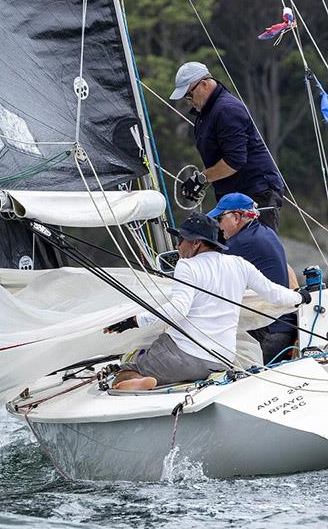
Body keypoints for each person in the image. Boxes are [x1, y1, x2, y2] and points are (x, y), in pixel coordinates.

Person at [103, 212, 308, 391]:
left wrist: (132, 321)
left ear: (196, 243)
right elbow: (274, 293)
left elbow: (178, 309)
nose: (177, 245)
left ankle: (139, 380)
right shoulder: (239, 264)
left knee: (125, 369)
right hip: (222, 360)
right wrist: (301, 297)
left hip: (182, 357)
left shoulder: (187, 266)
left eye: (181, 239)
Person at [170, 62, 285, 231]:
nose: (189, 102)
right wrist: (201, 183)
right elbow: (217, 157)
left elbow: (234, 161)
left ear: (204, 84)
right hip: (235, 196)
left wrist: (201, 178)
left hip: (256, 193)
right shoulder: (206, 113)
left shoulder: (227, 110)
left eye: (189, 95)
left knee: (254, 250)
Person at [207, 193, 298, 364]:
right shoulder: (265, 232)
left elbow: (211, 281)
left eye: (220, 218)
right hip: (284, 326)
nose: (219, 226)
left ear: (235, 217)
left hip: (268, 333)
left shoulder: (240, 244)